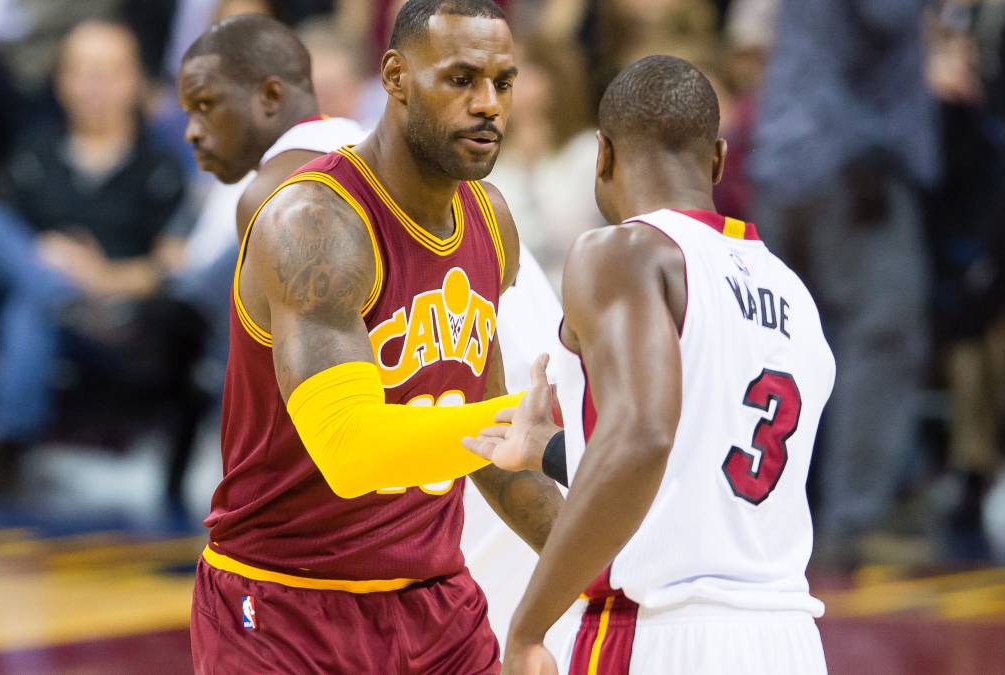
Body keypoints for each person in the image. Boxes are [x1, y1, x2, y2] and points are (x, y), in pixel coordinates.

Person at [181, 2, 563, 672]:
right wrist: (512, 425)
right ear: (395, 76)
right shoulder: (312, 221)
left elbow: (495, 462)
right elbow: (350, 450)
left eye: (503, 83)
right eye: (462, 79)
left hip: (437, 605)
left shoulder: (490, 219)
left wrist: (611, 574)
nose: (488, 105)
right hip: (285, 605)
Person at [464, 56, 834, 674]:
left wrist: (529, 626)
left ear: (601, 155)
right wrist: (550, 446)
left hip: (662, 633)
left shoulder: (622, 253)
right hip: (788, 636)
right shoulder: (793, 292)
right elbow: (696, 473)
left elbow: (642, 438)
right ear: (716, 160)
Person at [0, 20, 188, 497]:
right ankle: (55, 295)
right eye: (83, 72)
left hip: (111, 324)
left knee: (31, 307)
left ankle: (2, 442)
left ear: (136, 81)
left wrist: (101, 276)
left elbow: (171, 268)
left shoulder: (160, 166)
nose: (95, 86)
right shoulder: (33, 152)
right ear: (61, 82)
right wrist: (47, 262)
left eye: (109, 72)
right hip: (26, 311)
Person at [749, 0, 937, 561]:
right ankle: (857, 520)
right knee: (883, 335)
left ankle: (756, 512)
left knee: (774, 344)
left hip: (783, 152)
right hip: (851, 159)